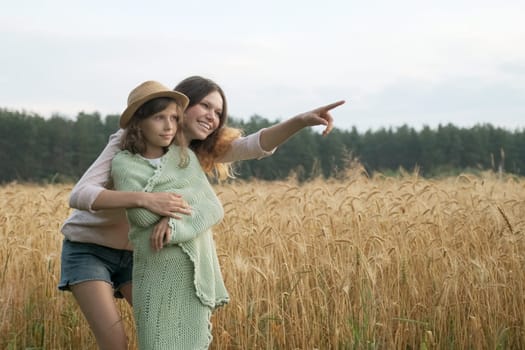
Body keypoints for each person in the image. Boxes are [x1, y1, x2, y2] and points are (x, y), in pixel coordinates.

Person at [59, 75, 344, 349]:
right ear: (183, 106)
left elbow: (253, 145)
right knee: (115, 344)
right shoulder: (128, 142)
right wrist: (145, 200)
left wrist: (301, 121)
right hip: (90, 250)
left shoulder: (190, 154)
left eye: (219, 112)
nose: (212, 116)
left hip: (143, 255)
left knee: (167, 335)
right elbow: (80, 194)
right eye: (205, 105)